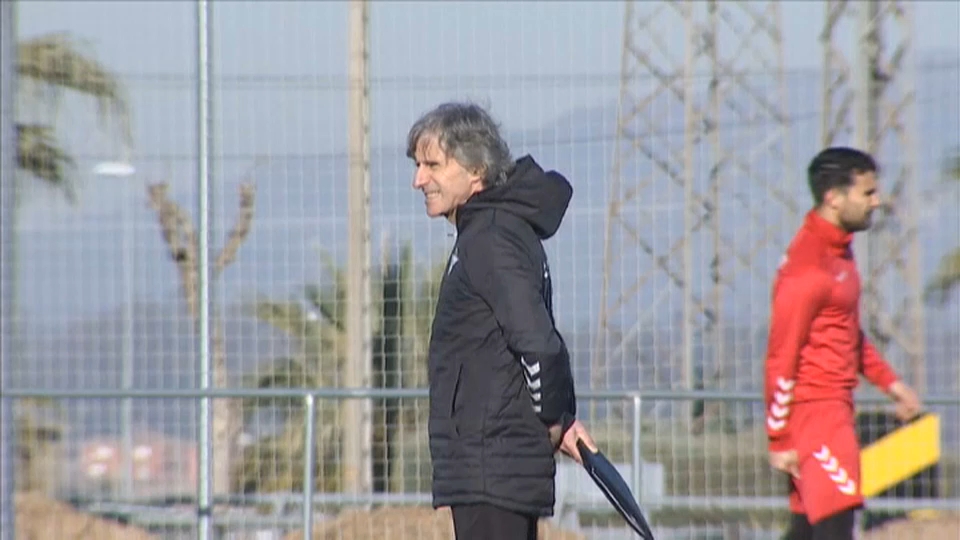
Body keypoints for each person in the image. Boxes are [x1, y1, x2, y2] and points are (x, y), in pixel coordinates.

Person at [405, 101, 597, 540]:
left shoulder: (490, 237)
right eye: (418, 165)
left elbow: (538, 342)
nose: (419, 179)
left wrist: (552, 418)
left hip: (494, 467)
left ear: (476, 171)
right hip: (491, 467)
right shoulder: (488, 231)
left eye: (432, 164)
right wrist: (562, 417)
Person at [763, 146, 923, 540]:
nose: (877, 201)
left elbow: (847, 331)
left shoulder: (840, 252)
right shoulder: (807, 269)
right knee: (838, 523)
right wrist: (779, 437)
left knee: (809, 528)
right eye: (867, 193)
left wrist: (891, 384)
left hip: (835, 411)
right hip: (815, 420)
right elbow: (781, 356)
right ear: (834, 198)